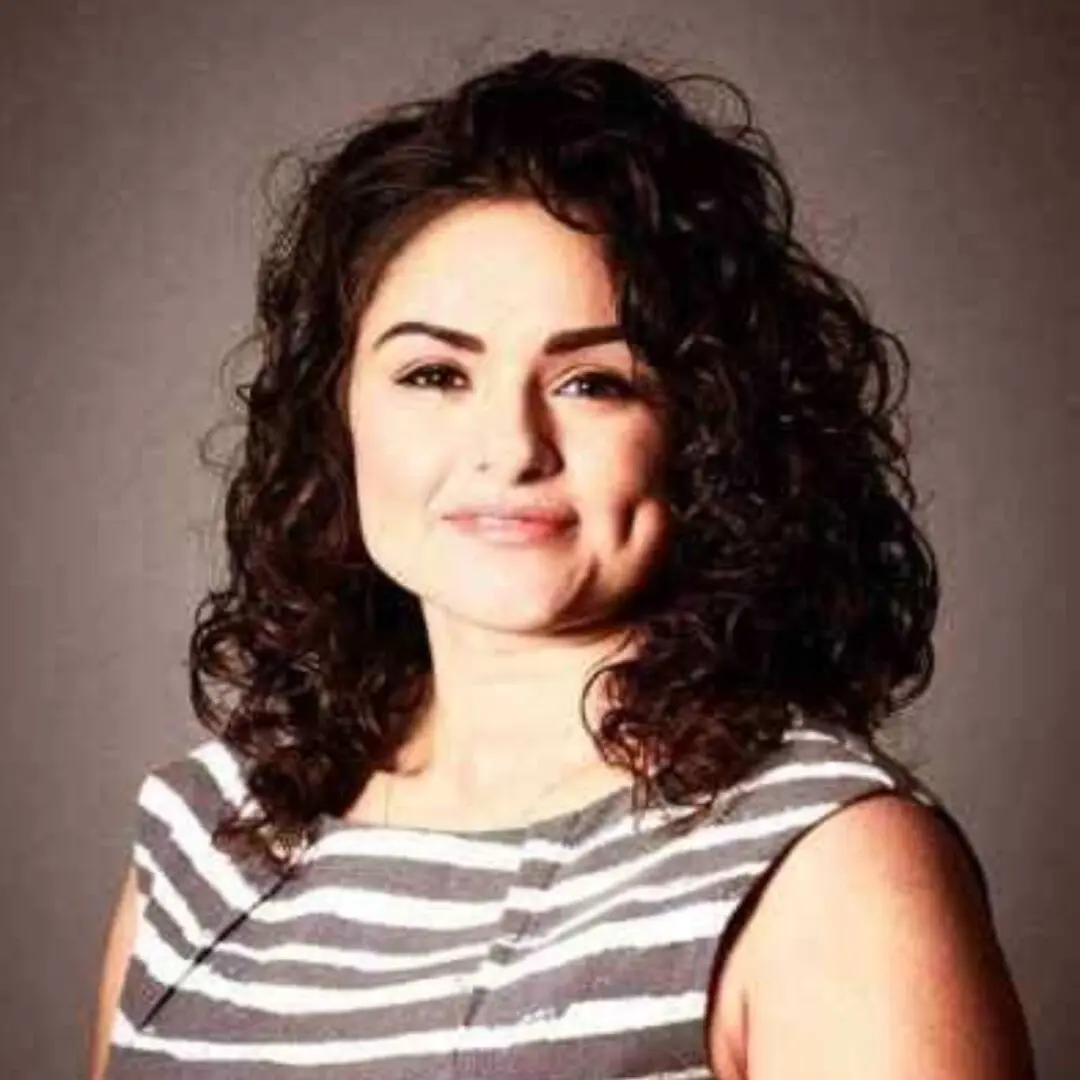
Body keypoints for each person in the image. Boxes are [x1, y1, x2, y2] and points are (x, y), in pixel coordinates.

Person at [89, 48, 1036, 1080]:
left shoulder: (829, 864)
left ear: (709, 430)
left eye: (593, 382)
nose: (511, 447)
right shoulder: (205, 836)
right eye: (434, 373)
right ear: (337, 414)